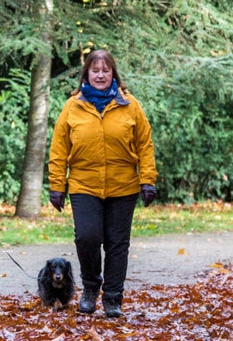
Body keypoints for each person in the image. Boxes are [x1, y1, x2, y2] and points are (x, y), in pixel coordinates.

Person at [47, 49, 157, 318]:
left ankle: (112, 298)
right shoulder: (73, 106)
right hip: (84, 184)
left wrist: (148, 180)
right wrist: (57, 185)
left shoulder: (129, 104)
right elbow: (59, 148)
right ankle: (90, 288)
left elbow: (145, 144)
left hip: (123, 185)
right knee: (87, 236)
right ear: (87, 74)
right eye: (95, 71)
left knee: (117, 243)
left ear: (113, 74)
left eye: (105, 71)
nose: (100, 75)